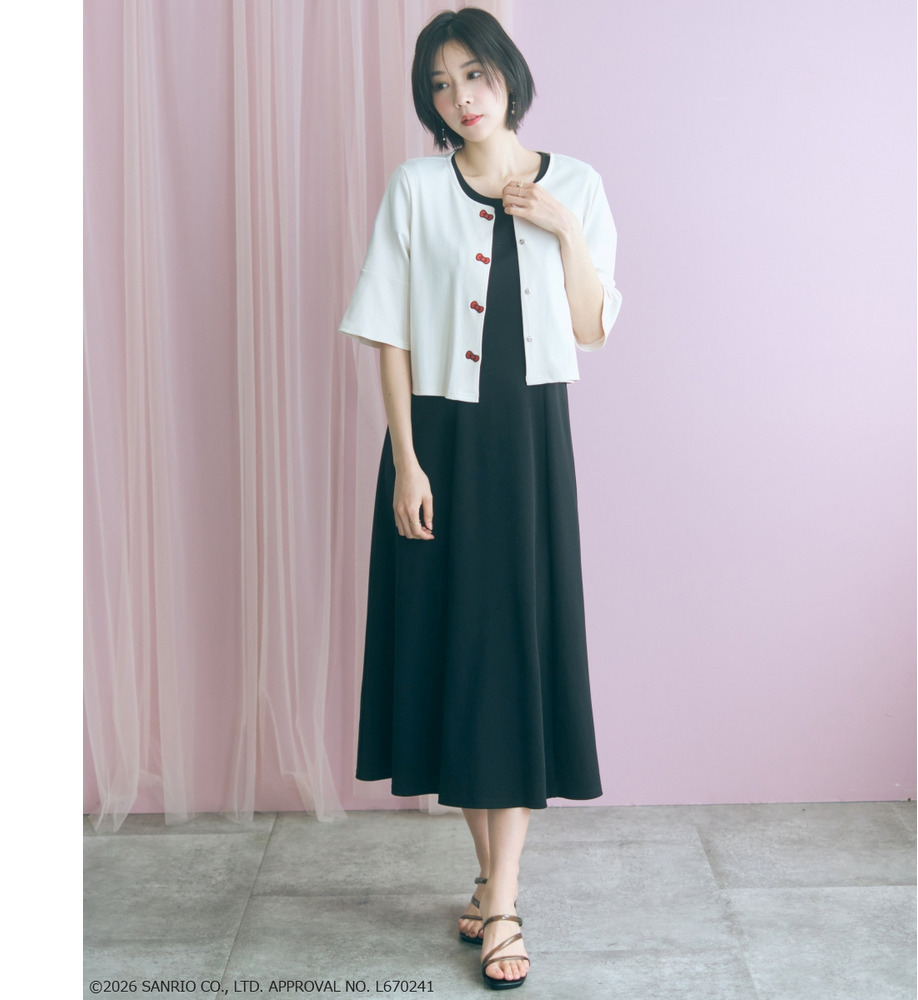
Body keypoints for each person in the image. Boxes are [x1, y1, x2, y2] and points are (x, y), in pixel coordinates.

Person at [338, 7, 622, 990]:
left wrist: (563, 228)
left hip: (530, 447)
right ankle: (491, 880)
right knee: (457, 661)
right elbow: (387, 330)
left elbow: (591, 327)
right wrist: (406, 464)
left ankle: (502, 899)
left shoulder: (576, 183)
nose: (461, 97)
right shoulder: (415, 188)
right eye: (441, 84)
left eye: (475, 74)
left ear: (509, 75)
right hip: (439, 445)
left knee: (517, 657)